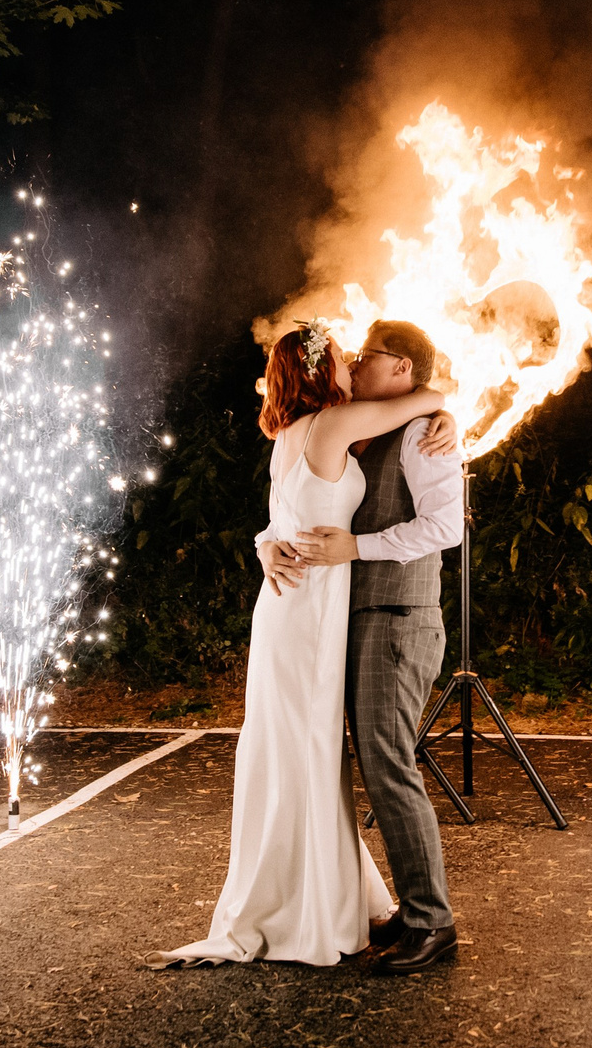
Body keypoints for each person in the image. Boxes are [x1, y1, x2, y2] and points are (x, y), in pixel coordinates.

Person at [157, 321, 451, 967]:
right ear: (325, 373)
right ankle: (314, 904)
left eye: (362, 355)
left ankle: (328, 899)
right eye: (346, 357)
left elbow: (281, 516)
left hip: (304, 612)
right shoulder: (332, 426)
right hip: (312, 616)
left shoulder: (301, 434)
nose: (353, 363)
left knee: (312, 756)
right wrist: (443, 398)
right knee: (314, 755)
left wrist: (269, 543)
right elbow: (424, 395)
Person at [264, 318, 463, 975]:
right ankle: (411, 910)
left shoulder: (419, 433)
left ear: (402, 370)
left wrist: (358, 546)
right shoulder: (362, 427)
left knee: (388, 763)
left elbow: (445, 526)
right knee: (371, 763)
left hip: (400, 616)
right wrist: (270, 544)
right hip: (353, 619)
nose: (355, 360)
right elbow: (290, 505)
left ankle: (432, 920)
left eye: (368, 354)